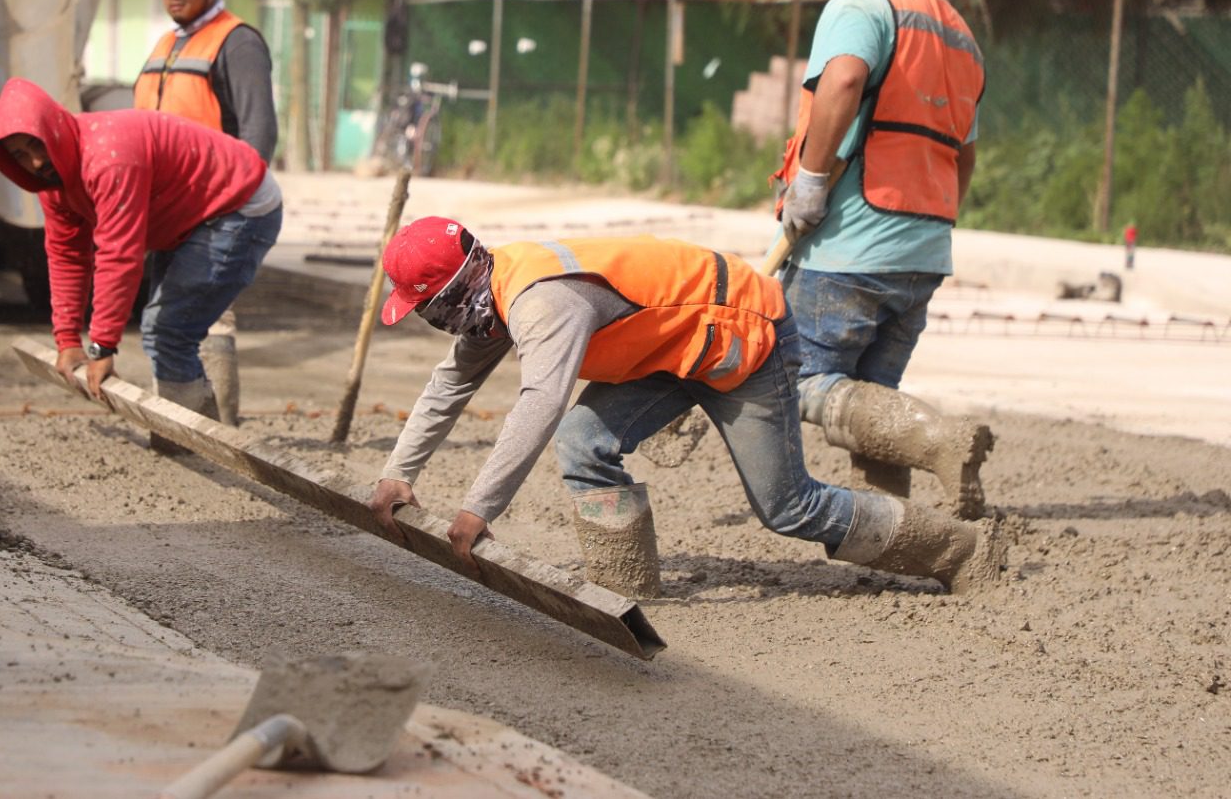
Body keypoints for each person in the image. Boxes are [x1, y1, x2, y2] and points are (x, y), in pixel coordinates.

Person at [366, 217, 1005, 599]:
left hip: (744, 338)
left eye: (427, 306)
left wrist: (478, 508)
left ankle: (957, 551)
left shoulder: (541, 302)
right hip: (672, 352)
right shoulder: (495, 294)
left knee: (788, 507)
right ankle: (626, 591)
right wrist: (399, 472)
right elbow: (449, 385)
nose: (431, 321)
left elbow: (538, 403)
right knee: (584, 443)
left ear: (456, 291)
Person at [772, 0, 993, 519]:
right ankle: (898, 540)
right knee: (874, 398)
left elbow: (842, 81)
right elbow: (966, 155)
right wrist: (925, 224)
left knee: (799, 379)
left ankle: (940, 441)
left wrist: (810, 180)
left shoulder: (865, 2)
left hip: (851, 242)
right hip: (925, 249)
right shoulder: (960, 33)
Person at [0, 77, 282, 414]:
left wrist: (100, 347)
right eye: (21, 156)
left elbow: (119, 255)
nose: (36, 162)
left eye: (37, 144)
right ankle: (193, 432)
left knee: (167, 331)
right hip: (185, 215)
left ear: (54, 126)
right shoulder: (52, 185)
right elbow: (67, 256)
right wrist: (68, 339)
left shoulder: (108, 157)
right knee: (166, 329)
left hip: (238, 204)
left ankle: (193, 441)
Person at [131, 0, 278, 423]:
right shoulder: (166, 44)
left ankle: (219, 431)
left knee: (207, 320)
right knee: (163, 321)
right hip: (169, 215)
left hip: (215, 215)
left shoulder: (237, 42)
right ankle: (180, 427)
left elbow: (258, 133)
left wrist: (232, 213)